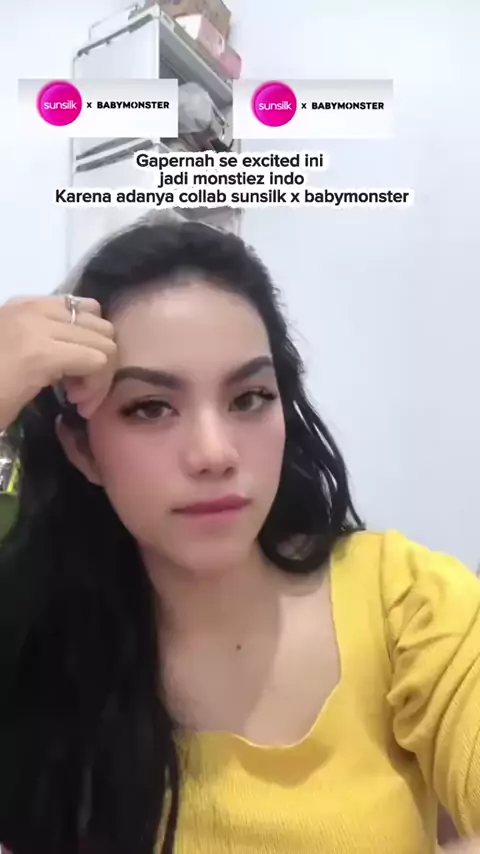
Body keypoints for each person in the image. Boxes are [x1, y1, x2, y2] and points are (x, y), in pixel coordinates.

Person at [0, 218, 479, 854]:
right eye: (151, 407)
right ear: (83, 451)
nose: (214, 453)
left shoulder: (404, 600)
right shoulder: (32, 648)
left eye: (249, 397)